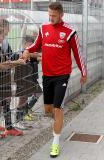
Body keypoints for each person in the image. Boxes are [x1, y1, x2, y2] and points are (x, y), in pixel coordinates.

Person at [20, 2, 87, 158]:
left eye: (54, 16)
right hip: (47, 75)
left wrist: (84, 73)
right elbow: (36, 46)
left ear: (61, 15)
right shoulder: (44, 28)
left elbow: (78, 54)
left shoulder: (70, 32)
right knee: (48, 110)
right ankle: (57, 125)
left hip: (62, 75)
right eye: (49, 15)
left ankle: (55, 142)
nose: (51, 18)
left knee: (58, 108)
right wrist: (27, 50)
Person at [14, 35, 42, 130]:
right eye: (28, 46)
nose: (30, 48)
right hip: (23, 80)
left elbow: (38, 58)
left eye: (32, 46)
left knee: (38, 92)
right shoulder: (21, 54)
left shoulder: (32, 54)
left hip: (32, 79)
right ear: (24, 44)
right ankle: (18, 120)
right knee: (22, 99)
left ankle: (26, 112)